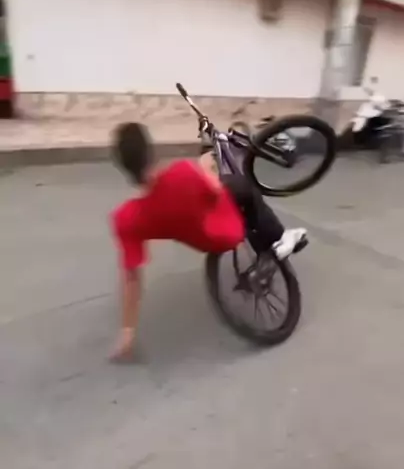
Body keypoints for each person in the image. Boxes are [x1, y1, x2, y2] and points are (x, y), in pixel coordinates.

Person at [109, 122, 308, 360]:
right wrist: (206, 168)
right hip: (229, 227)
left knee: (217, 179)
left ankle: (263, 244)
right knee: (241, 183)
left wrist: (128, 330)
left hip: (204, 242)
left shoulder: (126, 219)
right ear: (151, 152)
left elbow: (132, 277)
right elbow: (214, 189)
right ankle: (280, 237)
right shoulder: (182, 172)